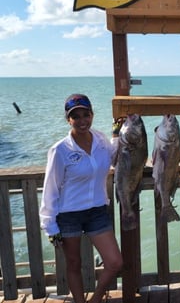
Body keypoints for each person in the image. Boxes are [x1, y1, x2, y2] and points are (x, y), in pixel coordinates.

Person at [39, 94, 124, 303]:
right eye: (75, 116)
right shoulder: (60, 150)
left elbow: (113, 157)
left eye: (85, 114)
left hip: (97, 211)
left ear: (92, 114)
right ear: (68, 120)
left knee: (114, 262)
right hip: (68, 215)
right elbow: (50, 188)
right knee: (74, 264)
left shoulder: (101, 140)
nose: (82, 120)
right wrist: (50, 226)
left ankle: (94, 299)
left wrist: (117, 135)